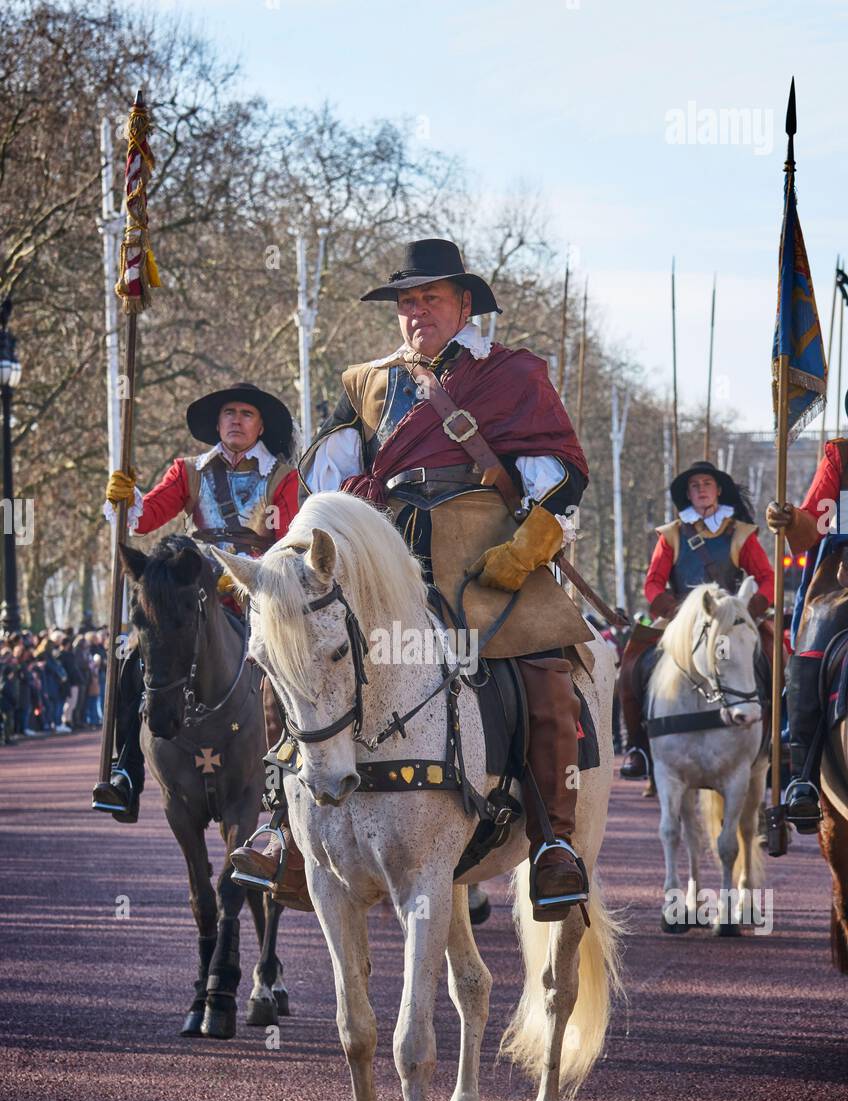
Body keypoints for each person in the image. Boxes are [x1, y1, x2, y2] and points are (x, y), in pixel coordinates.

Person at [234, 238, 592, 921]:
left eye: (431, 298)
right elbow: (323, 482)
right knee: (301, 652)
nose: (416, 311)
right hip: (380, 549)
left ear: (464, 304)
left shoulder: (513, 373)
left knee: (542, 664)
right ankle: (280, 823)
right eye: (406, 301)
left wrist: (523, 551)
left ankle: (553, 846)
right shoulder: (365, 381)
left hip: (485, 546)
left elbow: (557, 477)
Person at [93, 383, 298, 822]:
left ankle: (295, 778)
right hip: (192, 589)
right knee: (132, 658)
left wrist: (248, 571)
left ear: (260, 426)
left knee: (298, 667)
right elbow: (144, 519)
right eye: (229, 413)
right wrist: (124, 498)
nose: (237, 420)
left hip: (257, 592)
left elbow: (293, 540)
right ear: (217, 423)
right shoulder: (188, 472)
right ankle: (126, 772)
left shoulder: (282, 477)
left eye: (246, 413)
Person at [619, 461, 774, 779]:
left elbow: (767, 577)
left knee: (774, 655)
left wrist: (749, 609)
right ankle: (638, 747)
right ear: (688, 494)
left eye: (707, 483)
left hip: (732, 620)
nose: (701, 489)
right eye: (695, 485)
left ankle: (772, 741)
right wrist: (675, 611)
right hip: (680, 620)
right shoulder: (672, 534)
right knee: (632, 663)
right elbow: (653, 583)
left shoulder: (741, 534)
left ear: (718, 490)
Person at [766, 425, 848, 828]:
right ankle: (803, 777)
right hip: (846, 577)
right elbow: (815, 517)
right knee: (817, 631)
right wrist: (791, 518)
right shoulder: (841, 455)